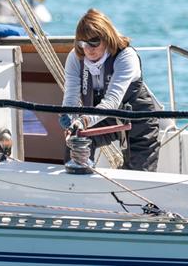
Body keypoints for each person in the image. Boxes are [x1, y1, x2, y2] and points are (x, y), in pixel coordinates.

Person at [59, 9, 160, 171]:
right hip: (101, 117)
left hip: (137, 117)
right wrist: (69, 119)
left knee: (140, 174)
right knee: (77, 144)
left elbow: (112, 101)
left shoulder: (126, 57)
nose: (89, 49)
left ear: (107, 38)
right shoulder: (75, 58)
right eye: (83, 43)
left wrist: (83, 121)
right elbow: (70, 98)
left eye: (94, 43)